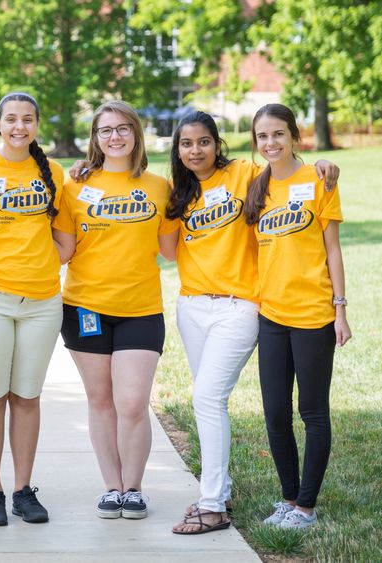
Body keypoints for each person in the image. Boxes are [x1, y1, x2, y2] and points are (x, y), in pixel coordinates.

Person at [162, 111, 340, 535]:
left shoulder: (245, 174)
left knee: (206, 397)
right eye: (186, 144)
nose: (195, 150)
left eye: (204, 142)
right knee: (215, 404)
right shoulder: (177, 191)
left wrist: (324, 165)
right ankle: (219, 492)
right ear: (178, 150)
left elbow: (284, 166)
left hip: (241, 305)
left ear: (218, 143)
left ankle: (213, 503)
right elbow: (168, 250)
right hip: (193, 307)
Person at [53, 100, 176, 520]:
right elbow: (63, 251)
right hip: (85, 307)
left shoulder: (160, 187)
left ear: (136, 134)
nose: (115, 136)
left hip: (141, 308)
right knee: (100, 400)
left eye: (123, 128)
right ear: (95, 138)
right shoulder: (73, 188)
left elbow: (172, 249)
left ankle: (135, 488)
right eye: (106, 130)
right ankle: (112, 486)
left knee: (131, 402)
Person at [0, 92, 68, 526]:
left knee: (26, 398)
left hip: (42, 302)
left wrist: (35, 261)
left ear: (37, 125)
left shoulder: (54, 171)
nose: (19, 127)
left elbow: (65, 239)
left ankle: (23, 489)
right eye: (11, 119)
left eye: (27, 119)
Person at [244, 103, 351, 530]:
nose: (270, 143)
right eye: (262, 136)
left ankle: (307, 506)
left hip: (312, 313)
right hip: (270, 314)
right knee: (274, 412)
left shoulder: (319, 179)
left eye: (278, 134)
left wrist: (340, 310)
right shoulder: (255, 186)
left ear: (295, 136)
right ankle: (288, 499)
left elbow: (333, 249)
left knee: (312, 411)